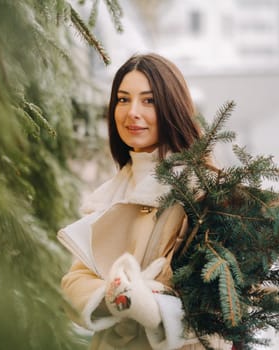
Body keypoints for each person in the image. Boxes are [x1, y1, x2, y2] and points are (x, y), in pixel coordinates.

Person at [58, 53, 230, 350]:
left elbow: (224, 301)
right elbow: (74, 284)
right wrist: (116, 297)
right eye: (123, 100)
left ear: (172, 107)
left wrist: (153, 308)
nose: (132, 112)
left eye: (148, 101)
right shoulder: (108, 196)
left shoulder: (203, 191)